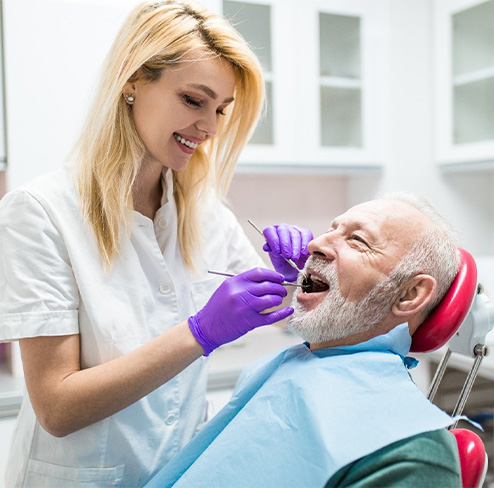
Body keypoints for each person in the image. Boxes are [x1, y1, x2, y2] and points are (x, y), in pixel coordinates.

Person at [0, 2, 313, 486]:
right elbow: (56, 406)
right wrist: (200, 333)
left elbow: (280, 310)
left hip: (177, 471)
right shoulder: (40, 211)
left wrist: (291, 276)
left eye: (220, 110)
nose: (209, 128)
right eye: (193, 100)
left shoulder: (203, 212)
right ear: (132, 80)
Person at [145, 192, 464, 488]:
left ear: (410, 295)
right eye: (330, 229)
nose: (316, 244)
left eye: (357, 240)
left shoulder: (410, 451)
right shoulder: (285, 366)